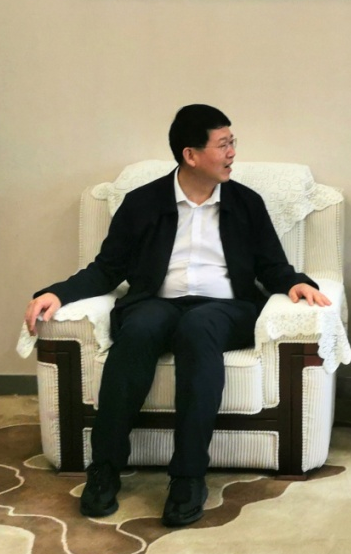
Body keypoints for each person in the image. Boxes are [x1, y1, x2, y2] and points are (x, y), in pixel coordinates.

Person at [24, 104, 331, 527]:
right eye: (223, 145)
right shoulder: (142, 202)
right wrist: (57, 293)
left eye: (232, 143)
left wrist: (295, 282)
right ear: (191, 155)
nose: (232, 153)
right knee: (139, 327)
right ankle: (105, 469)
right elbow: (107, 269)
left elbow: (271, 266)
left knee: (197, 326)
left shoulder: (245, 202)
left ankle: (188, 476)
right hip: (157, 303)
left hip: (227, 309)